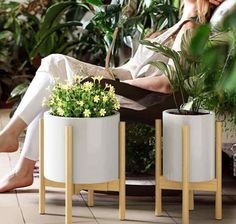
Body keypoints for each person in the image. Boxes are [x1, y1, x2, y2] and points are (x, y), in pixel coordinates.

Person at [0, 0, 224, 192]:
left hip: (138, 96)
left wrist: (120, 84)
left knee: (54, 64)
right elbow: (133, 67)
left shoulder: (191, 29)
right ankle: (22, 166)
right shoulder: (174, 27)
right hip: (122, 82)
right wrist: (113, 77)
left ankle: (13, 144)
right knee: (53, 79)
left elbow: (169, 84)